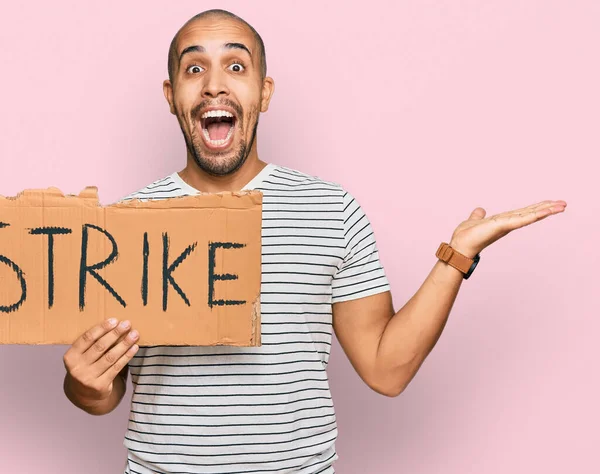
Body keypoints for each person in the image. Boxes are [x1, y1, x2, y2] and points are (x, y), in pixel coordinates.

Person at [61, 9, 566, 474]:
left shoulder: (332, 211)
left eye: (236, 66)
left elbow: (386, 370)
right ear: (171, 96)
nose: (215, 85)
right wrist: (82, 384)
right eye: (195, 70)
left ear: (264, 92)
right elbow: (105, 394)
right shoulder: (123, 227)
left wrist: (457, 256)